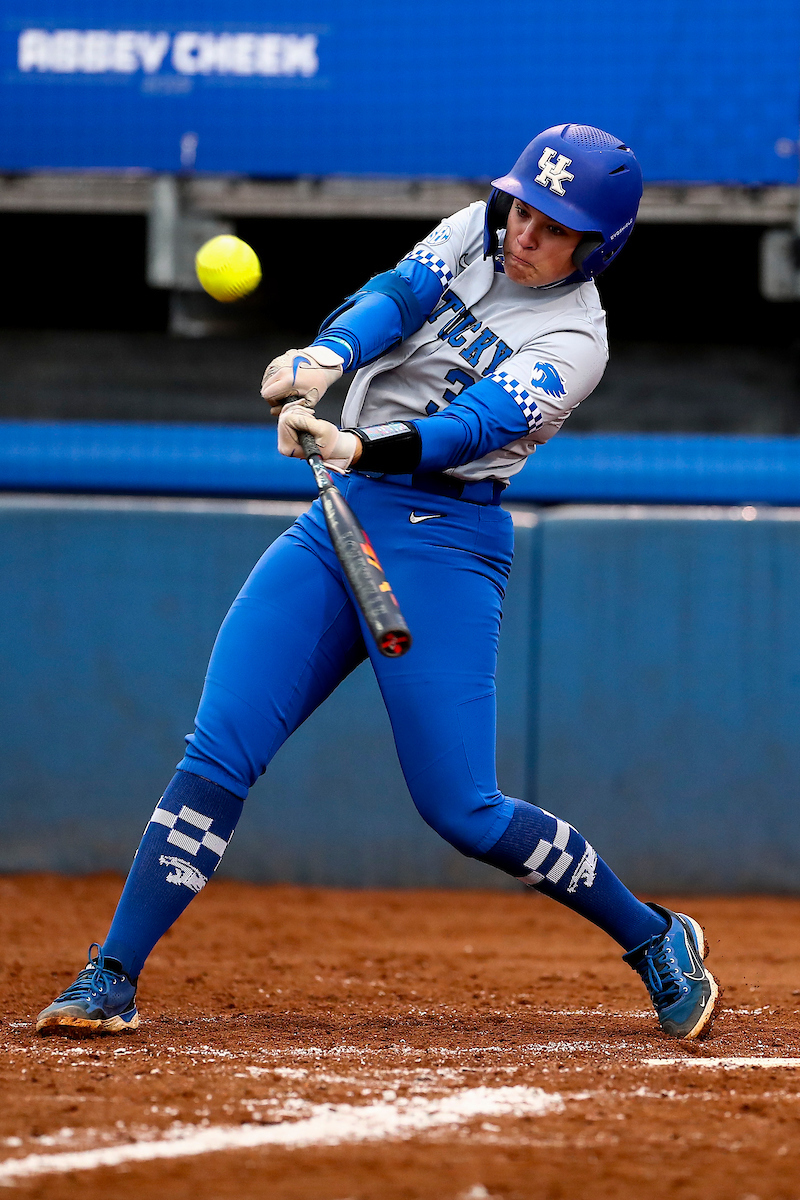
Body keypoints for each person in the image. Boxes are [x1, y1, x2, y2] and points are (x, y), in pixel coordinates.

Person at [37, 124, 718, 1042]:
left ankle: (653, 935)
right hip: (341, 524)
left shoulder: (575, 340)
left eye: (556, 227)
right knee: (220, 747)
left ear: (599, 246)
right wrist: (327, 360)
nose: (525, 233)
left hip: (446, 541)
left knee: (462, 809)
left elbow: (472, 426)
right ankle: (111, 973)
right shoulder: (473, 232)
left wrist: (358, 442)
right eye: (523, 208)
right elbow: (395, 299)